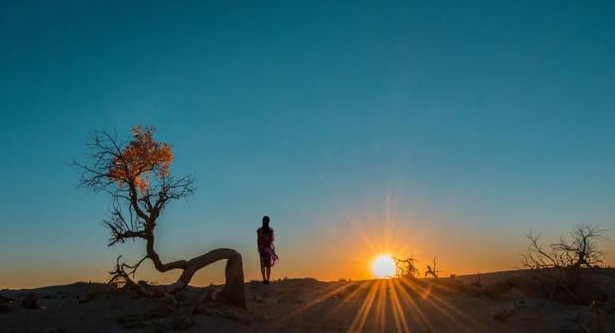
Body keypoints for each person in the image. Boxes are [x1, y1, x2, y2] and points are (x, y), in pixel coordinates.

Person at [257, 215, 278, 284]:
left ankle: (264, 279)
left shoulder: (259, 230)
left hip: (262, 249)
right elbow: (272, 239)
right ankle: (268, 280)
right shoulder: (271, 230)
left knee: (262, 265)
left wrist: (259, 248)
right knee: (268, 265)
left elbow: (258, 240)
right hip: (268, 249)